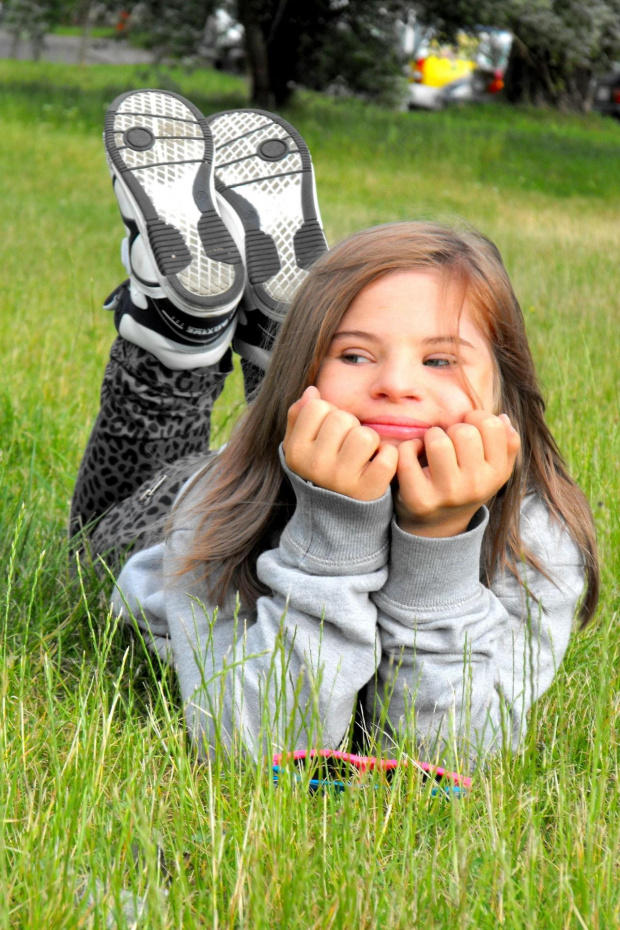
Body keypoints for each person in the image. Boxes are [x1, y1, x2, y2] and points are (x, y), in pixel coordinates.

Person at [72, 89, 599, 766]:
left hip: (291, 433)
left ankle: (255, 332)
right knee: (96, 542)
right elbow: (255, 747)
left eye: (440, 359)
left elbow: (443, 758)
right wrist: (334, 538)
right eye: (356, 354)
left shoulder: (537, 540)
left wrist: (438, 547)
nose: (397, 383)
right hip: (170, 511)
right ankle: (176, 328)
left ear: (508, 397)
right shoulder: (217, 510)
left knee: (326, 398)